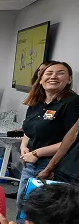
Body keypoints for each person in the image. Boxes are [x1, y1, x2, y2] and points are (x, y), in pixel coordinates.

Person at [17, 61, 78, 205]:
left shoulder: (72, 103)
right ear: (41, 78)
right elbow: (28, 129)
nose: (53, 77)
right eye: (49, 73)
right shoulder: (37, 101)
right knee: (22, 205)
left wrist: (37, 153)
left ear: (69, 79)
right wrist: (24, 146)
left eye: (60, 73)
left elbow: (72, 140)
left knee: (40, 211)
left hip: (53, 165)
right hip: (30, 162)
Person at [38, 117, 79, 184]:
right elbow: (72, 135)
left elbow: (73, 135)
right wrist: (49, 168)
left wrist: (49, 168)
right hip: (68, 170)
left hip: (68, 170)